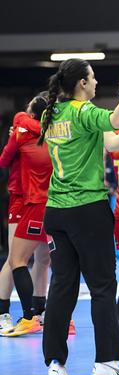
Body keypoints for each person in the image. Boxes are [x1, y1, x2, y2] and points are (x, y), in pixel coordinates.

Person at [40, 57, 119, 375]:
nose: (96, 83)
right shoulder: (83, 112)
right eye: (92, 79)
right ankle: (106, 361)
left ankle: (55, 363)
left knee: (62, 288)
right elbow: (118, 120)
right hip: (88, 209)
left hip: (56, 211)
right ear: (82, 84)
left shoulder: (52, 113)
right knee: (103, 286)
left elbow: (116, 139)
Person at [0, 96, 52, 337]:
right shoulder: (52, 132)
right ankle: (4, 312)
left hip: (29, 197)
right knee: (21, 258)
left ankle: (37, 311)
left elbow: (3, 159)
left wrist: (19, 124)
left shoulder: (23, 128)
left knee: (32, 259)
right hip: (27, 197)